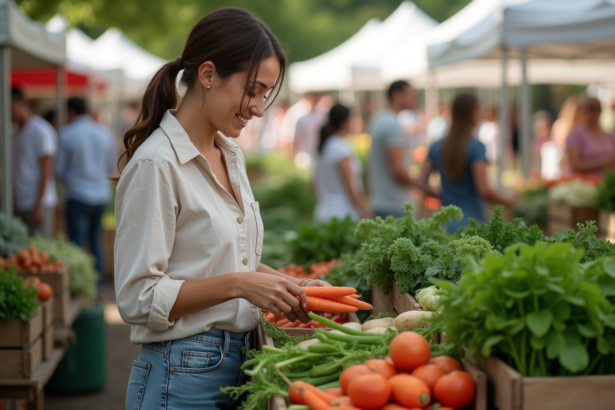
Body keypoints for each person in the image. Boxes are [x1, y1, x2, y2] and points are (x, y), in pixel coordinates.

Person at [113, 8, 329, 409]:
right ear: (208, 75)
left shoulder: (229, 154)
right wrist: (240, 285)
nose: (260, 108)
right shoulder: (156, 164)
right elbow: (137, 297)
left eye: (265, 93)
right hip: (178, 377)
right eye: (253, 90)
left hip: (237, 363)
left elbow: (224, 258)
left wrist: (291, 288)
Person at [417, 94, 514, 232]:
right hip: (472, 222)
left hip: (445, 221)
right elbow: (483, 189)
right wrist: (507, 200)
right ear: (473, 113)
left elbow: (421, 182)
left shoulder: (437, 145)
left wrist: (442, 195)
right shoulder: (476, 146)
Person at [55, 97, 117, 293]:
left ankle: (79, 288)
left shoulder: (66, 134)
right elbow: (110, 165)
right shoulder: (104, 133)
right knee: (95, 239)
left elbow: (58, 170)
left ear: (70, 111)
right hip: (100, 195)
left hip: (77, 194)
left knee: (76, 243)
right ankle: (98, 286)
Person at [11, 87, 58, 238]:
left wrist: (38, 205)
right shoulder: (13, 133)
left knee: (39, 252)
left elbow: (47, 170)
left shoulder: (41, 130)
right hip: (20, 202)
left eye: (8, 107)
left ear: (20, 104)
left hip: (37, 203)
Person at [367, 80, 418, 218]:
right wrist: (422, 185)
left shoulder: (379, 119)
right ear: (396, 95)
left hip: (382, 201)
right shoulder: (392, 125)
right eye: (410, 94)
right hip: (395, 203)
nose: (414, 98)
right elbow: (398, 170)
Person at [313, 103, 369, 222]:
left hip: (323, 212)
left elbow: (313, 184)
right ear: (345, 122)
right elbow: (351, 187)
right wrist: (365, 213)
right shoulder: (341, 148)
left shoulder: (324, 145)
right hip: (342, 215)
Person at [566, 96, 615, 176]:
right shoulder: (575, 134)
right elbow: (575, 165)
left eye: (599, 108)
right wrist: (604, 162)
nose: (596, 111)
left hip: (606, 183)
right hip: (584, 184)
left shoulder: (608, 135)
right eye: (592, 108)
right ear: (584, 110)